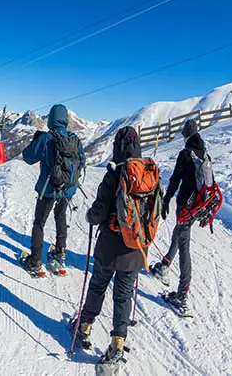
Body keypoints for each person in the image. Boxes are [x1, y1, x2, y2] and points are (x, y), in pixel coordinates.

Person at [72, 126, 148, 367]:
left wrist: (89, 217)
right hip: (135, 247)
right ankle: (117, 343)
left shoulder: (114, 175)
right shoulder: (148, 175)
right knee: (124, 294)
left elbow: (98, 213)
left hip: (110, 246)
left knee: (97, 286)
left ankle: (84, 326)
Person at [20, 104, 86, 274]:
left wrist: (36, 140)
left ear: (50, 119)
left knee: (39, 223)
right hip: (67, 189)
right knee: (60, 216)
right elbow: (82, 162)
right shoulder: (74, 139)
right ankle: (60, 254)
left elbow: (27, 157)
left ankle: (35, 261)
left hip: (48, 190)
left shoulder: (46, 138)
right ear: (65, 120)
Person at [149, 118, 205, 313]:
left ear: (186, 135)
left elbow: (174, 180)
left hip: (185, 205)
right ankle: (164, 264)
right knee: (179, 233)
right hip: (197, 205)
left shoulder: (186, 154)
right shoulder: (204, 153)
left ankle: (182, 294)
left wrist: (165, 200)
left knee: (184, 245)